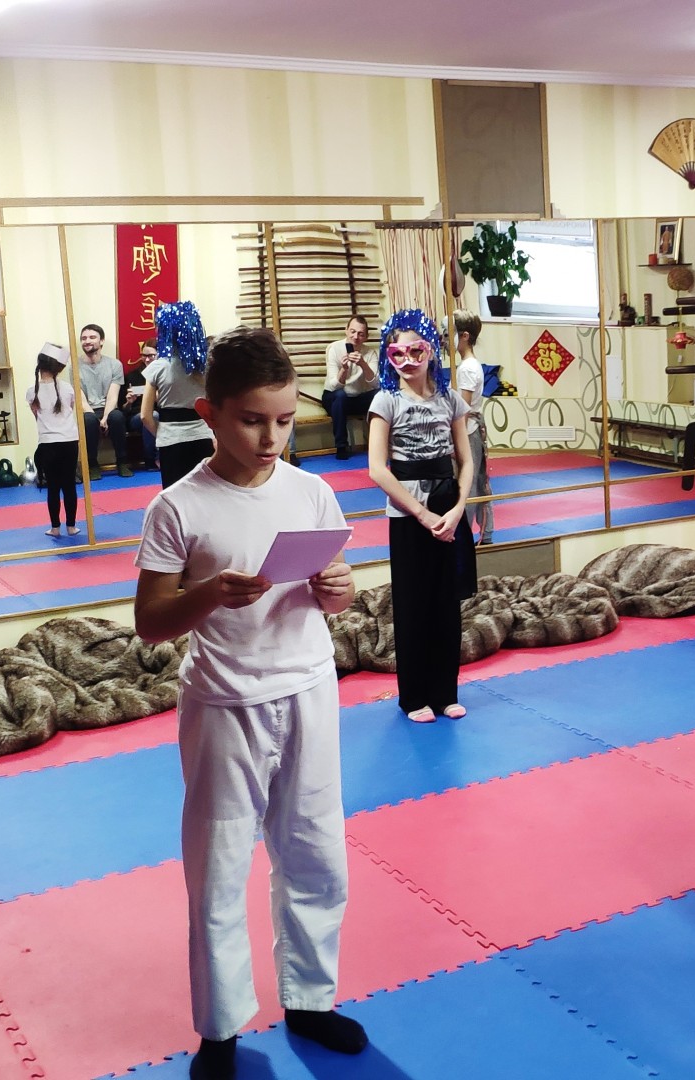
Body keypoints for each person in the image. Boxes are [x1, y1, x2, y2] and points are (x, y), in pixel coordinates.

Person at [132, 326, 365, 1079]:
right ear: (209, 413)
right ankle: (221, 1028)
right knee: (219, 868)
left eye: (285, 420)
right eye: (252, 420)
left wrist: (341, 590)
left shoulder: (312, 491)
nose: (271, 438)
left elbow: (335, 592)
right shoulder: (178, 507)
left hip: (309, 688)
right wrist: (206, 595)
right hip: (225, 703)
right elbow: (150, 622)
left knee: (317, 852)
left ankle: (310, 999)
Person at [367, 309, 476, 724]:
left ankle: (445, 692)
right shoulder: (386, 400)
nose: (408, 360)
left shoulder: (450, 399)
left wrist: (458, 507)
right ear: (388, 356)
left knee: (446, 602)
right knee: (412, 603)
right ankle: (413, 696)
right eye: (398, 353)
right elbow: (377, 469)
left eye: (417, 351)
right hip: (407, 511)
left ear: (432, 351)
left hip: (447, 503)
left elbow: (465, 460)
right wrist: (421, 514)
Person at [143, 302, 216, 489]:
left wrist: (161, 433)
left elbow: (145, 416)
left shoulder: (158, 367)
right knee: (205, 491)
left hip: (171, 439)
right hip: (203, 436)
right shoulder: (206, 366)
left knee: (174, 493)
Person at [30, 344, 84, 538]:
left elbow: (36, 416)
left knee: (53, 486)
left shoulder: (32, 392)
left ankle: (55, 528)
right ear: (59, 368)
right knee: (69, 484)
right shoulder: (68, 388)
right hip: (69, 441)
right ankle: (71, 527)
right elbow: (70, 409)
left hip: (48, 443)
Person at [451, 309, 494, 544]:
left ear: (465, 336)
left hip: (468, 431)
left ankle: (469, 534)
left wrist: (454, 439)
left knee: (470, 484)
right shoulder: (467, 365)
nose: (447, 339)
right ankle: (482, 534)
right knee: (475, 481)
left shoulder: (468, 368)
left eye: (451, 333)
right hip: (470, 429)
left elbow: (464, 409)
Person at [77, 323, 130, 479]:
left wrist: (105, 418)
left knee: (117, 417)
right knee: (88, 420)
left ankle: (122, 462)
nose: (87, 341)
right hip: (89, 410)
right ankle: (92, 464)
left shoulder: (114, 365)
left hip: (109, 408)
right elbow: (80, 398)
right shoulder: (75, 366)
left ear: (101, 341)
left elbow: (113, 396)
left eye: (92, 337)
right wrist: (95, 418)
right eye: (84, 338)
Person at [322, 315, 378, 460]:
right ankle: (341, 446)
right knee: (340, 395)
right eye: (352, 332)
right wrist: (344, 369)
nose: (356, 337)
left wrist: (363, 364)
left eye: (361, 334)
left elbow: (375, 384)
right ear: (346, 330)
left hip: (357, 398)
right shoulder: (334, 348)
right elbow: (333, 386)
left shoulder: (370, 353)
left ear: (366, 337)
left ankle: (380, 443)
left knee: (380, 394)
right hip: (334, 398)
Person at [126, 341, 160, 471]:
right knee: (151, 416)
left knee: (156, 416)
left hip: (161, 413)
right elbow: (123, 409)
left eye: (151, 356)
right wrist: (129, 402)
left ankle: (158, 458)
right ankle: (152, 459)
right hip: (136, 416)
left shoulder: (164, 375)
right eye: (144, 355)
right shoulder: (132, 376)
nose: (146, 359)